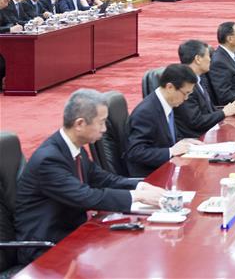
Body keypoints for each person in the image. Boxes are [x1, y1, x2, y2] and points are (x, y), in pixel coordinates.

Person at [14, 89, 164, 264]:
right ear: (79, 124)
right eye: (101, 123)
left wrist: (140, 186)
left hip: (74, 233)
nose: (105, 129)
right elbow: (85, 196)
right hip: (46, 248)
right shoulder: (49, 160)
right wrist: (136, 196)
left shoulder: (73, 147)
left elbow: (102, 178)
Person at [124, 64, 201, 177]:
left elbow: (165, 138)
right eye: (186, 93)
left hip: (169, 167)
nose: (186, 99)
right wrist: (170, 151)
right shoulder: (146, 112)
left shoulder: (167, 103)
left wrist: (184, 141)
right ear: (170, 87)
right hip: (152, 174)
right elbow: (135, 152)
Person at [173, 40, 235, 139]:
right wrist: (223, 113)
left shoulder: (199, 79)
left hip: (208, 132)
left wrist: (229, 109)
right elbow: (195, 121)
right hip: (196, 139)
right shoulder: (184, 85)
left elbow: (208, 110)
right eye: (208, 56)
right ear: (198, 59)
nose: (210, 60)